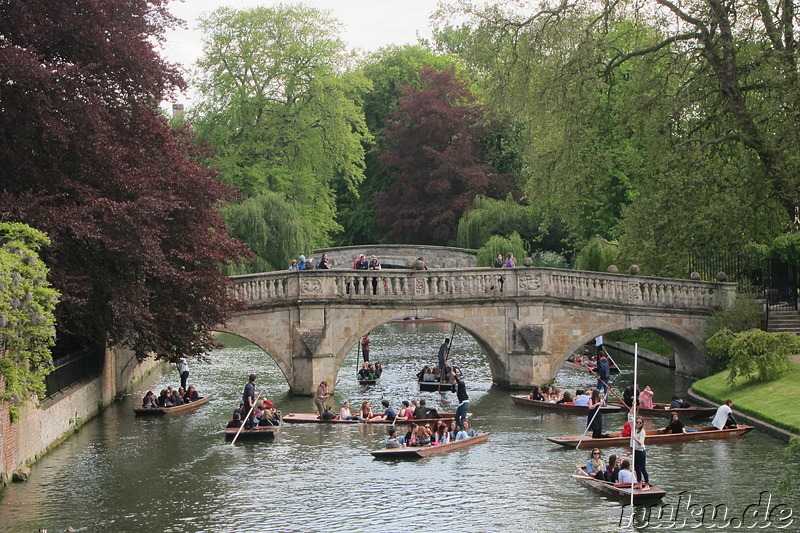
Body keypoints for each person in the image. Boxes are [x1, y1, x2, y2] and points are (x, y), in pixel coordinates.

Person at [631, 417, 650, 487]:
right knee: (636, 467)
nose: (638, 424)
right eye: (637, 422)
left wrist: (635, 439)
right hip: (635, 450)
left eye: (640, 423)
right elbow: (630, 417)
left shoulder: (642, 432)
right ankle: (639, 483)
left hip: (641, 451)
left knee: (642, 468)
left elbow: (641, 443)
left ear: (642, 424)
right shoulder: (634, 430)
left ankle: (647, 484)